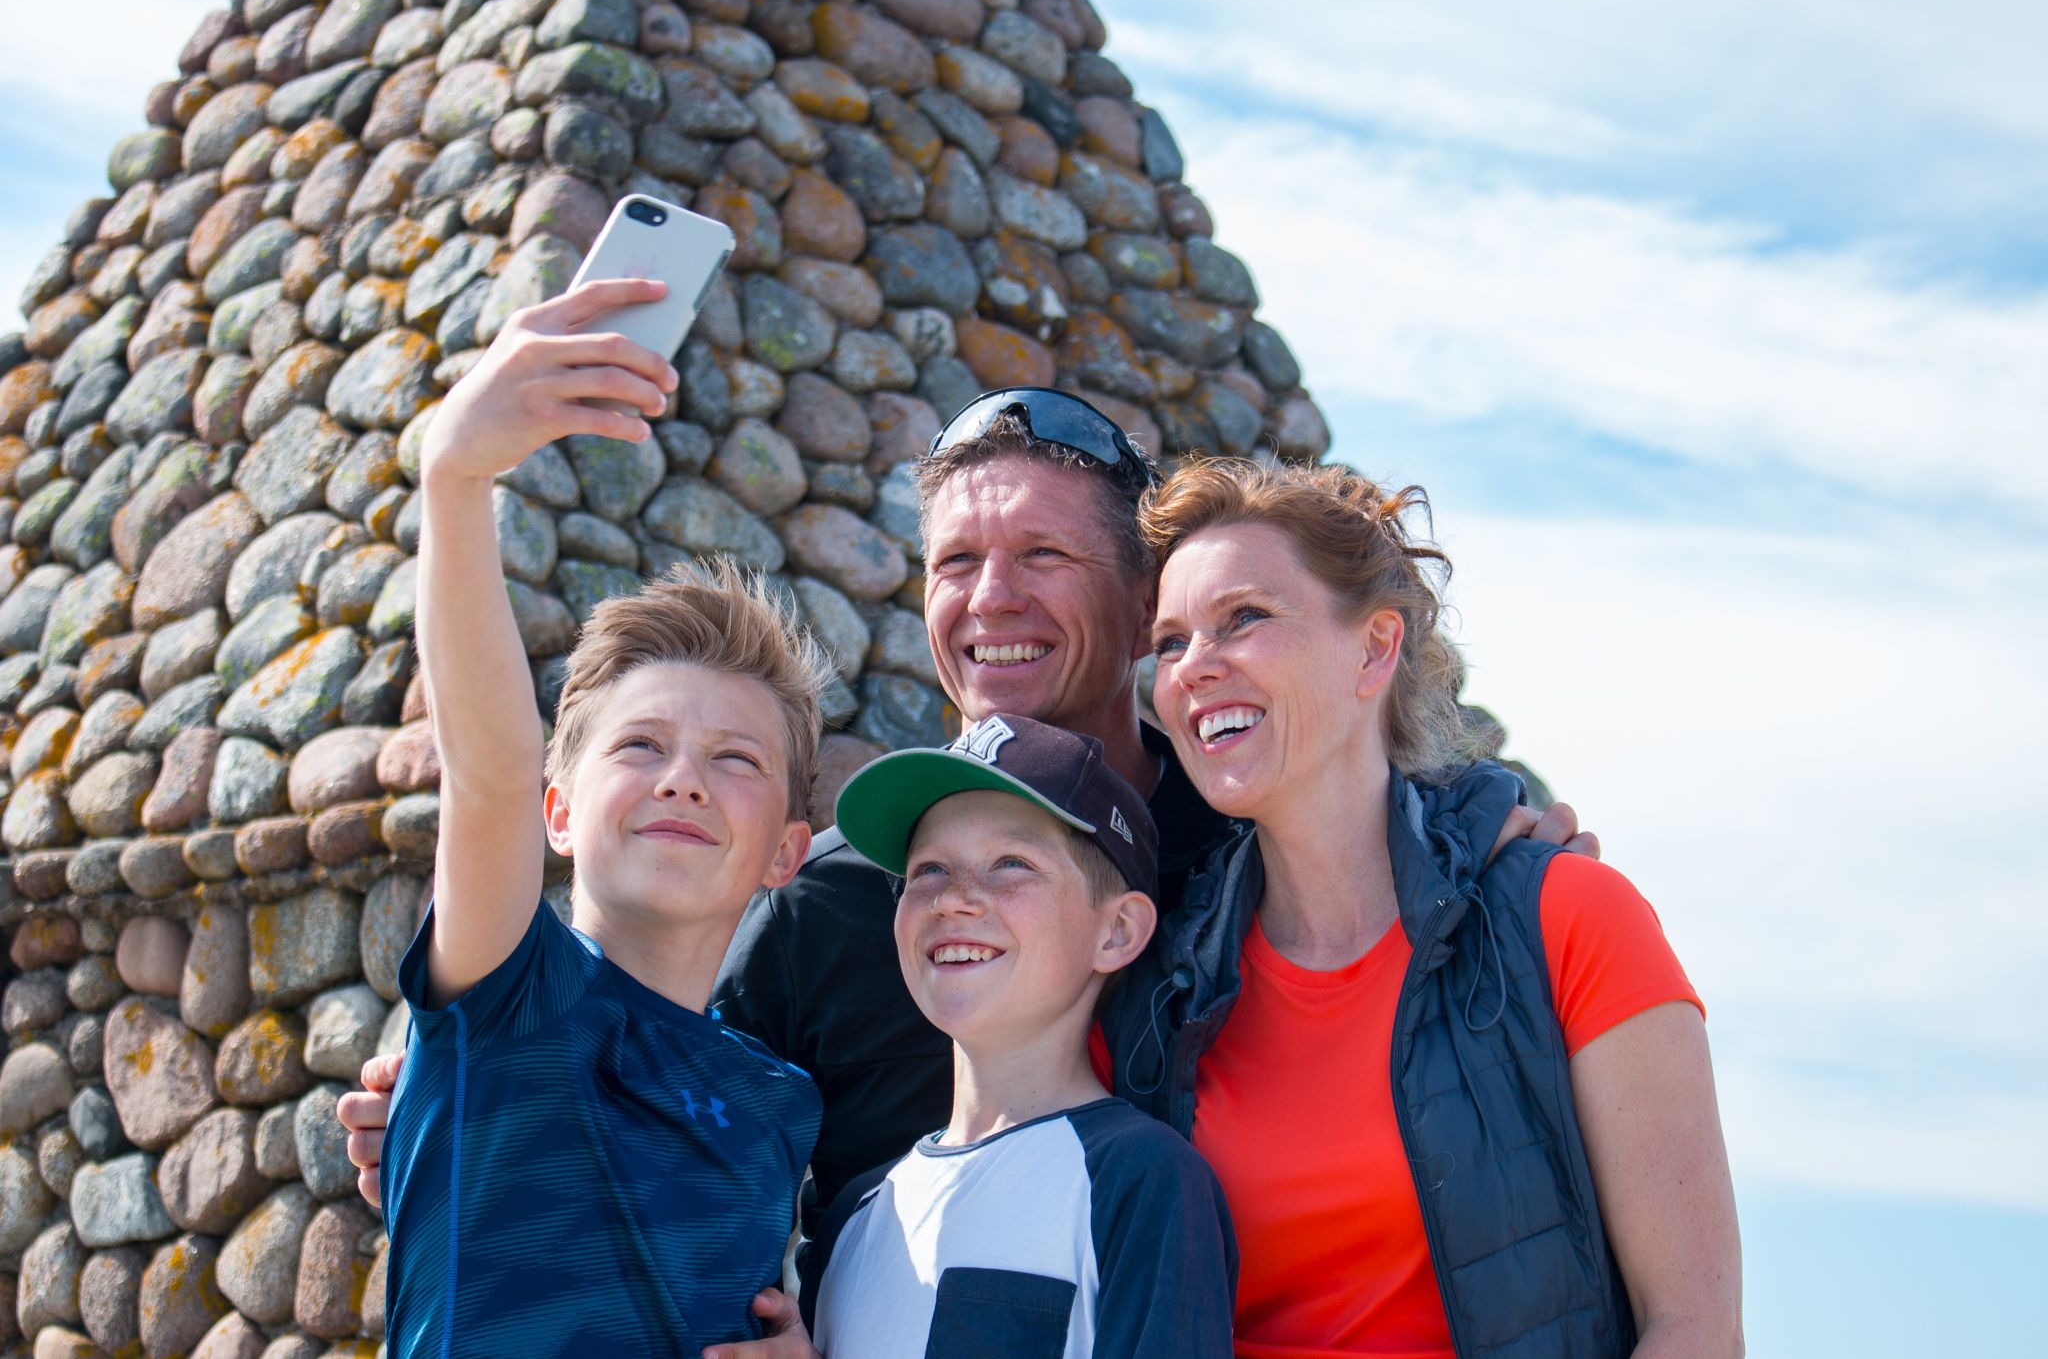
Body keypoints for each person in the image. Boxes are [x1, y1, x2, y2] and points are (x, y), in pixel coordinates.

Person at [341, 388, 1593, 1262]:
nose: (990, 599)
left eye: (1043, 554)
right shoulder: (834, 902)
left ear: (1141, 593)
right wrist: (460, 1082)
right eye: (952, 564)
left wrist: (1482, 843)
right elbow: (649, 1096)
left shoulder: (1262, 847)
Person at [1106, 456, 1742, 1358]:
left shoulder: (1572, 919)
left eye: (1242, 618)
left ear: (1375, 649)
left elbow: (1697, 1327)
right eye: (1170, 642)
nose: (1194, 668)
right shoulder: (1157, 996)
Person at [378, 279, 827, 1357]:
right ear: (558, 811)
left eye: (734, 761)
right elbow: (484, 770)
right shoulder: (508, 994)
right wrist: (455, 473)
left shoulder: (779, 1106)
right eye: (640, 746)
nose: (682, 781)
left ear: (784, 854)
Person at [786, 714, 1237, 1359]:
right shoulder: (858, 1211)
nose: (954, 899)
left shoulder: (1140, 1181)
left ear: (1117, 932)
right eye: (928, 870)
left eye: (1010, 863)